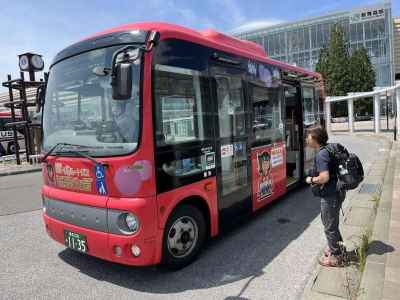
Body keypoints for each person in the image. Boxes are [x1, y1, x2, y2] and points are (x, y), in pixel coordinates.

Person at [305, 125, 346, 267]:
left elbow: (324, 177)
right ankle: (338, 247)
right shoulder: (328, 149)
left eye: (308, 136)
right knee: (332, 223)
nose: (306, 139)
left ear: (315, 138)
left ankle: (336, 257)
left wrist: (311, 180)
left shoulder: (321, 154)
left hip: (330, 195)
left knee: (329, 226)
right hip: (336, 192)